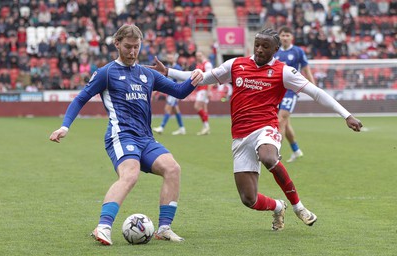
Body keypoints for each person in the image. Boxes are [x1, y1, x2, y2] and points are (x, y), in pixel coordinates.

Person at [150, 28, 362, 231]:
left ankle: (299, 207)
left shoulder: (284, 72)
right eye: (257, 45)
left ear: (275, 50)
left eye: (265, 46)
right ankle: (279, 207)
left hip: (266, 128)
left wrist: (346, 115)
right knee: (248, 199)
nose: (259, 49)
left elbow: (316, 93)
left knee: (268, 157)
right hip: (240, 136)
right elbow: (201, 78)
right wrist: (168, 71)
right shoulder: (236, 65)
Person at [49, 24, 202, 246]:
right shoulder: (107, 73)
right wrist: (65, 126)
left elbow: (179, 91)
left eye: (136, 47)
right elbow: (81, 98)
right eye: (128, 47)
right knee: (130, 174)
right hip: (121, 136)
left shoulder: (148, 74)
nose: (132, 52)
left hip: (146, 138)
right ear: (117, 44)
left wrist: (193, 79)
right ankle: (103, 227)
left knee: (173, 169)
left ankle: (164, 228)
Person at [274, 26, 316, 162]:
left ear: (292, 37)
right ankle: (296, 150)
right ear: (279, 37)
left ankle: (275, 154)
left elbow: (306, 70)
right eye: (283, 35)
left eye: (287, 35)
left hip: (290, 91)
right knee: (286, 123)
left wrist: (314, 89)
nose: (285, 38)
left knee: (280, 120)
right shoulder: (275, 52)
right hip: (276, 92)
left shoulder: (298, 51)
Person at [153, 52, 186, 135]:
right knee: (175, 110)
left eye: (171, 58)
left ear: (174, 58)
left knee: (167, 108)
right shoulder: (168, 67)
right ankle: (182, 128)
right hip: (171, 91)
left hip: (175, 91)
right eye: (168, 58)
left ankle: (161, 127)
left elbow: (180, 80)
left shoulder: (177, 67)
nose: (169, 59)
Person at [194, 51, 215, 136]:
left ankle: (206, 126)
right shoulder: (198, 65)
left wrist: (209, 90)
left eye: (199, 55)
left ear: (203, 55)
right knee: (204, 108)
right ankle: (206, 127)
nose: (198, 57)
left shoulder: (207, 64)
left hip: (204, 89)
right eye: (197, 56)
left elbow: (211, 77)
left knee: (197, 106)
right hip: (200, 89)